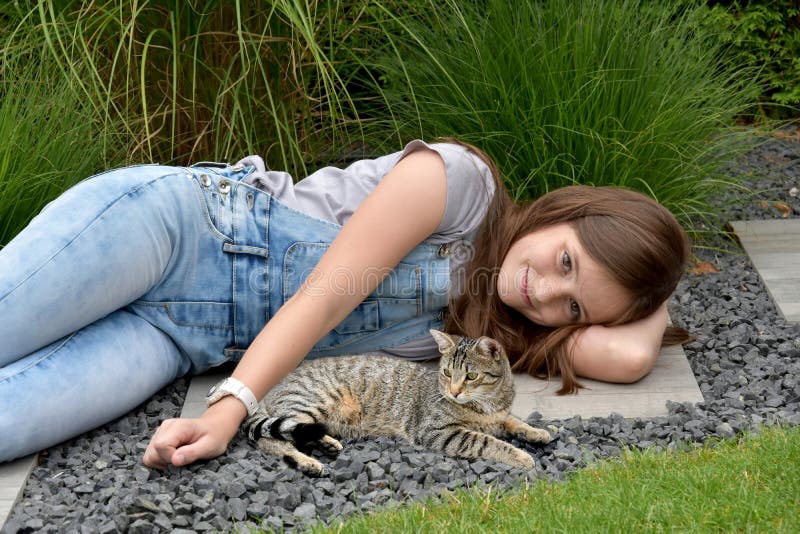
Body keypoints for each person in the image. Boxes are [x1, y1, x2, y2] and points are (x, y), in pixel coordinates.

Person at [0, 139, 689, 465]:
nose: (548, 292)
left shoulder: (490, 330)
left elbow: (628, 356)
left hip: (177, 337)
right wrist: (231, 409)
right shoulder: (458, 184)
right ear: (561, 211)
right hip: (172, 233)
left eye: (573, 308)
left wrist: (645, 292)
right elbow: (325, 298)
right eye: (566, 260)